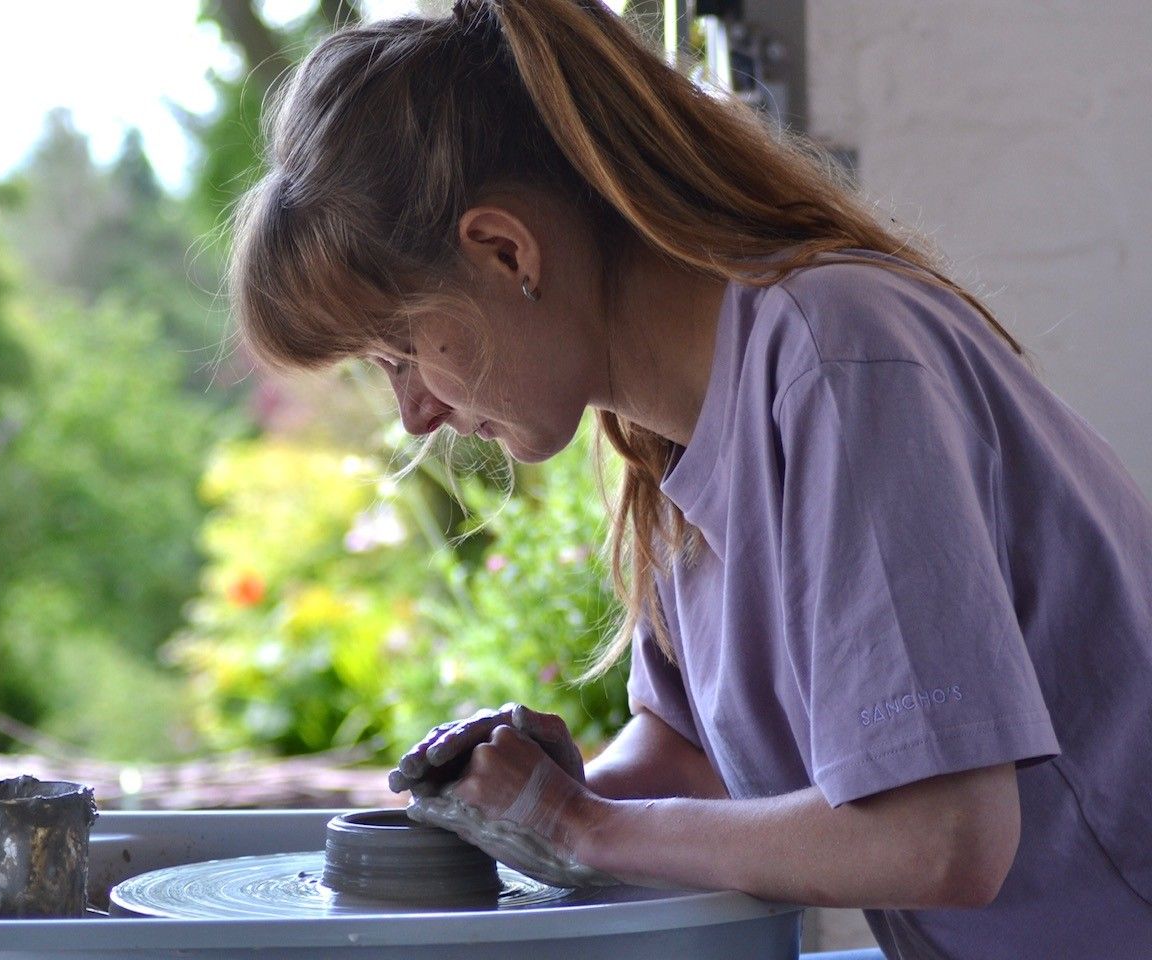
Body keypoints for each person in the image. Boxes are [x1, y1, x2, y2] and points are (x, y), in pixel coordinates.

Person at [227, 0, 1152, 956]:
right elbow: (695, 760)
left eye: (401, 351)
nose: (413, 413)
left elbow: (943, 837)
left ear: (506, 252)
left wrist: (582, 829)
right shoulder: (671, 439)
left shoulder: (834, 357)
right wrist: (556, 795)